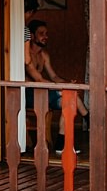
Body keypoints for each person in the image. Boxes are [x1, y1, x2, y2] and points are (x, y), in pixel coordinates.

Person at [24, 19, 88, 151]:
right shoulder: (27, 56)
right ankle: (89, 119)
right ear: (32, 35)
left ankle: (61, 144)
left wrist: (67, 83)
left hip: (44, 93)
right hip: (29, 94)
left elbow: (54, 76)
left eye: (46, 33)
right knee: (65, 93)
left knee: (69, 101)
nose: (45, 37)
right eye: (41, 33)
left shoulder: (44, 55)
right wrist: (62, 87)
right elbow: (39, 80)